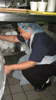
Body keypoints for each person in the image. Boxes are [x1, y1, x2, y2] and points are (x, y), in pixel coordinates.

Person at [0, 23, 56, 92]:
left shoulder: (40, 41)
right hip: (44, 57)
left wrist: (10, 67)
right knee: (23, 61)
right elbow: (14, 38)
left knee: (28, 71)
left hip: (53, 63)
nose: (20, 34)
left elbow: (31, 63)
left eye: (21, 32)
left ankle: (45, 82)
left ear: (29, 29)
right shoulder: (31, 33)